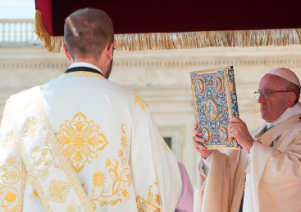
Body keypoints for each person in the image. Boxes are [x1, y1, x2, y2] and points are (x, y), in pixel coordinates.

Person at [0, 8, 190, 211]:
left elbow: (7, 188)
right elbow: (166, 186)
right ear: (110, 49)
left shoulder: (20, 108)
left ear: (66, 50)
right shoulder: (134, 107)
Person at [193, 68, 301, 212]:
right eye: (259, 93)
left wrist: (251, 145)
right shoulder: (256, 133)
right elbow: (231, 175)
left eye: (267, 93)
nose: (259, 100)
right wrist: (208, 155)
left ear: (289, 98)